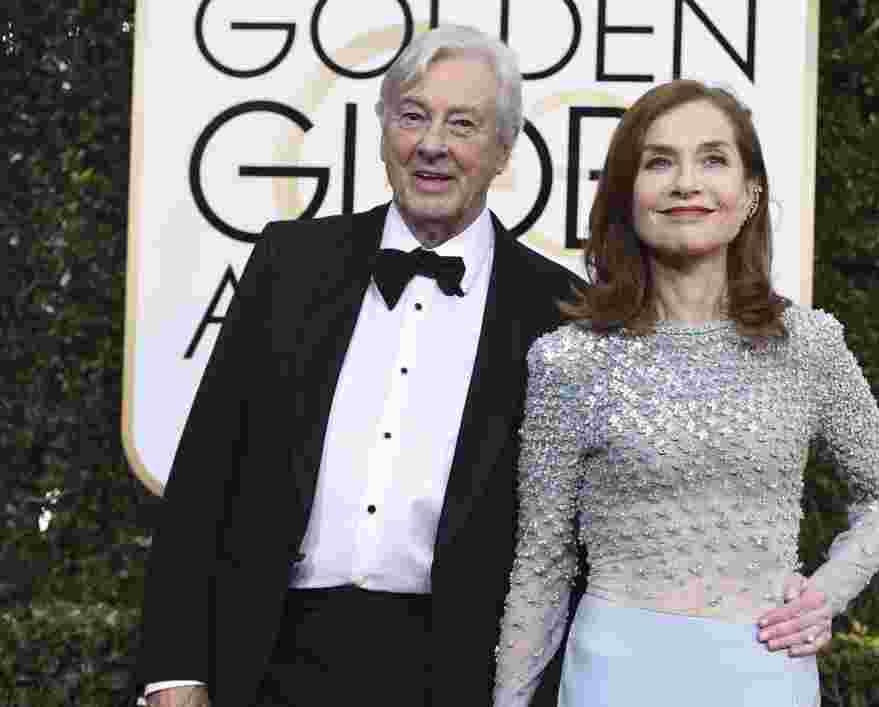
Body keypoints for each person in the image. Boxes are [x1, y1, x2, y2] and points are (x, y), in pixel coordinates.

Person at [139, 27, 830, 707]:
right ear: (383, 130)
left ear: (502, 151)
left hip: (461, 672)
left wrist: (775, 590)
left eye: (463, 124)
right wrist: (173, 668)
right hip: (267, 661)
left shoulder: (561, 313)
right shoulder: (289, 264)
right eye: (414, 116)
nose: (433, 144)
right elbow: (203, 477)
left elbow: (611, 521)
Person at [493, 79, 879, 707]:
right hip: (615, 670)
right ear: (627, 196)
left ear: (750, 196)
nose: (686, 183)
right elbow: (541, 565)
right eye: (659, 161)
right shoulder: (569, 360)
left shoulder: (808, 343)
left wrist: (824, 595)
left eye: (713, 159)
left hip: (764, 667)